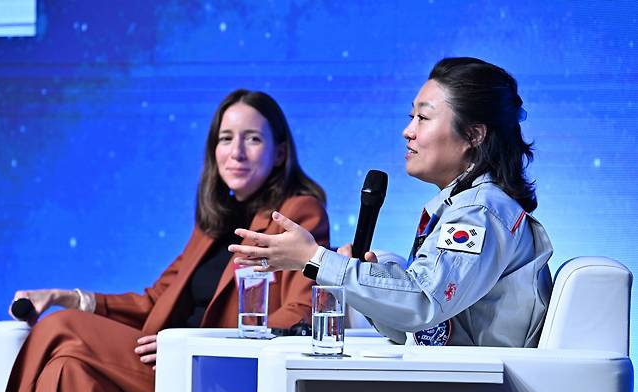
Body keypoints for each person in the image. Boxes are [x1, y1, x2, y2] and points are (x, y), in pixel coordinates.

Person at [5, 89, 329, 392]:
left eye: (253, 139)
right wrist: (67, 296)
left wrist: (197, 344)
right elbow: (155, 301)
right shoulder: (212, 225)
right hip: (166, 361)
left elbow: (300, 313)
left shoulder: (297, 212)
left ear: (280, 153)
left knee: (60, 327)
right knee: (65, 370)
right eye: (226, 139)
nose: (236, 152)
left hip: (212, 371)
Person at [228, 57, 553, 348]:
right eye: (410, 116)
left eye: (423, 118)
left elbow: (423, 303)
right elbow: (410, 328)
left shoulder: (479, 213)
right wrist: (367, 280)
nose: (407, 131)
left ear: (474, 135)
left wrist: (314, 259)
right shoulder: (462, 207)